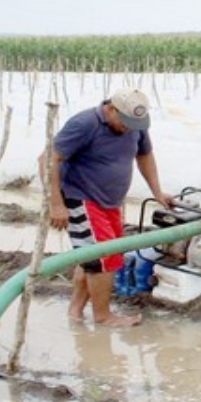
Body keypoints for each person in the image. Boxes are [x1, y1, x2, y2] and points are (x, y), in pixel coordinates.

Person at [39, 88, 173, 327]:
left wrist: (157, 192)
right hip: (82, 197)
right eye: (125, 122)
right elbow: (48, 159)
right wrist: (56, 204)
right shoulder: (85, 124)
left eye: (135, 124)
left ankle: (76, 311)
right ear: (111, 109)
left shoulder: (136, 126)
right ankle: (103, 316)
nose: (129, 128)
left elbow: (145, 156)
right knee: (103, 257)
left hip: (110, 201)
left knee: (95, 257)